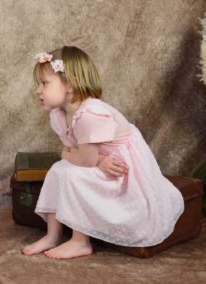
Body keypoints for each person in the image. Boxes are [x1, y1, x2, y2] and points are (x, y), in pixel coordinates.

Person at [21, 46, 184, 259]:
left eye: (44, 83)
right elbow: (82, 156)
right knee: (57, 170)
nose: (38, 90)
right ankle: (53, 235)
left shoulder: (91, 114)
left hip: (122, 168)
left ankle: (80, 241)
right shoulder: (59, 115)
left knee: (72, 173)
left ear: (70, 84)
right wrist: (83, 158)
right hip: (99, 160)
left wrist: (67, 154)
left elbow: (83, 159)